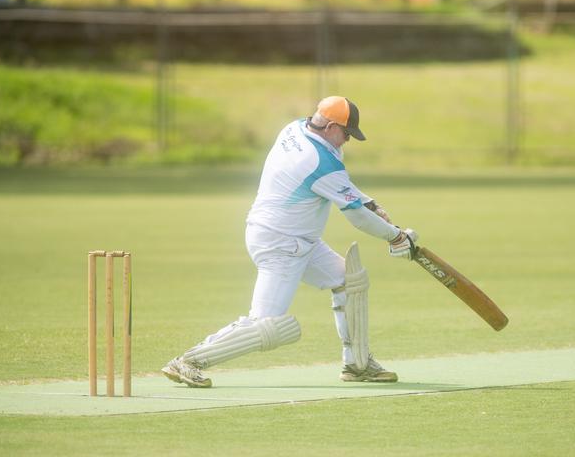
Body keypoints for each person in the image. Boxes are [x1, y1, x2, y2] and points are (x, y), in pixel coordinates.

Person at [162, 96, 417, 388]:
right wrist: (396, 237)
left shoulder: (295, 128)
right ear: (331, 126)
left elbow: (346, 191)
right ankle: (188, 361)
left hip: (294, 237)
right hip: (282, 244)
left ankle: (357, 365)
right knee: (267, 324)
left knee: (350, 280)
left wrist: (370, 203)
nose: (346, 140)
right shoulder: (317, 161)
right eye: (346, 134)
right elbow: (355, 217)